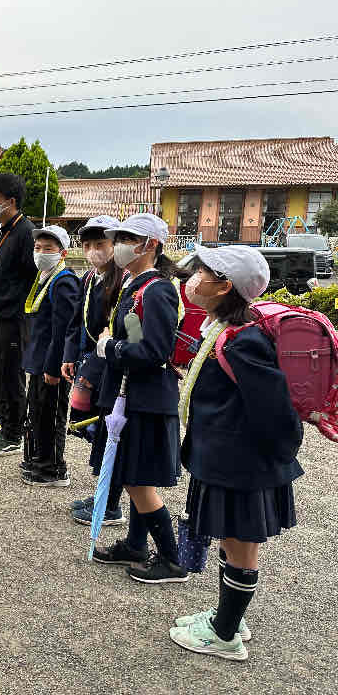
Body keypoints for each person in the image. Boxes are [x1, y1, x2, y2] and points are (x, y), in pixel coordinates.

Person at [169, 245, 303, 661]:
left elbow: (274, 408)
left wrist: (274, 457)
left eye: (201, 273)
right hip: (224, 457)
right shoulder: (223, 327)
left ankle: (225, 633)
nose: (191, 279)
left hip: (240, 463)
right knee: (231, 540)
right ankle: (227, 615)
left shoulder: (244, 340)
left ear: (224, 285)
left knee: (239, 542)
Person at [89, 212, 189, 585]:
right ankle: (135, 544)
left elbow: (154, 350)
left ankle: (171, 558)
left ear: (151, 245)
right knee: (133, 475)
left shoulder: (158, 288)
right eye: (119, 238)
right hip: (131, 396)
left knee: (137, 481)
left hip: (144, 397)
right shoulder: (135, 283)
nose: (118, 245)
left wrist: (108, 347)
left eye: (127, 238)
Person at [63, 216, 128, 524]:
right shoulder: (90, 278)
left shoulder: (125, 281)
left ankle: (111, 502)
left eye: (100, 244)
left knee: (112, 434)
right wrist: (70, 355)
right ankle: (102, 492)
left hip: (114, 367)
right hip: (92, 361)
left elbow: (133, 332)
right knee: (99, 433)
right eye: (87, 245)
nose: (92, 251)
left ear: (114, 245)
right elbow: (76, 321)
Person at [0, 173, 37, 457]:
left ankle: (15, 434)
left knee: (12, 377)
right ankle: (4, 426)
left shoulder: (26, 232)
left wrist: (21, 309)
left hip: (13, 318)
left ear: (11, 202)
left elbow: (32, 275)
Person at [19, 225, 80, 487]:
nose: (41, 253)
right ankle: (36, 459)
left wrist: (55, 367)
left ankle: (53, 467)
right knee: (37, 412)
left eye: (48, 249)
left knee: (51, 414)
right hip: (37, 360)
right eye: (38, 248)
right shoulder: (44, 277)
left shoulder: (64, 281)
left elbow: (64, 330)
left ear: (63, 252)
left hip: (51, 365)